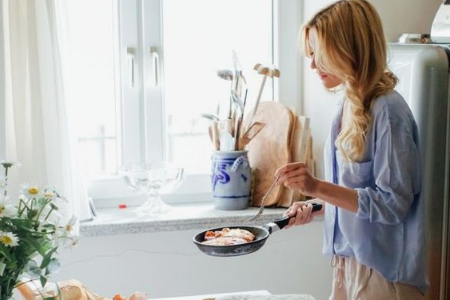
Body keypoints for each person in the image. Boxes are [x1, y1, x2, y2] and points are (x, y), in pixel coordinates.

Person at [274, 0, 428, 299]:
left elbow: (393, 204)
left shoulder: (388, 112)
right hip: (347, 263)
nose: (313, 65)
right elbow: (357, 195)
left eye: (320, 53)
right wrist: (317, 205)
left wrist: (317, 187)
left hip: (383, 274)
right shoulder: (347, 104)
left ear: (348, 50)